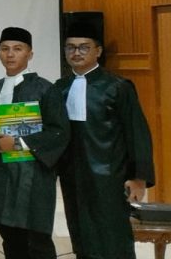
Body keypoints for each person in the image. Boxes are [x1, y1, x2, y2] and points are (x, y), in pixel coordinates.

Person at [56, 21, 155, 259]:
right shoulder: (60, 88)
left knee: (113, 237)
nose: (76, 53)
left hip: (110, 176)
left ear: (98, 51)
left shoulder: (117, 87)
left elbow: (137, 133)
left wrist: (139, 177)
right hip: (73, 176)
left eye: (84, 47)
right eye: (70, 47)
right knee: (81, 233)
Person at [0, 27, 69, 259]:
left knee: (37, 239)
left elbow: (59, 132)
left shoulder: (45, 89)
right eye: (5, 49)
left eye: (17, 49)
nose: (10, 54)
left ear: (30, 54)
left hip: (33, 175)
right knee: (10, 237)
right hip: (2, 173)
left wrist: (19, 143)